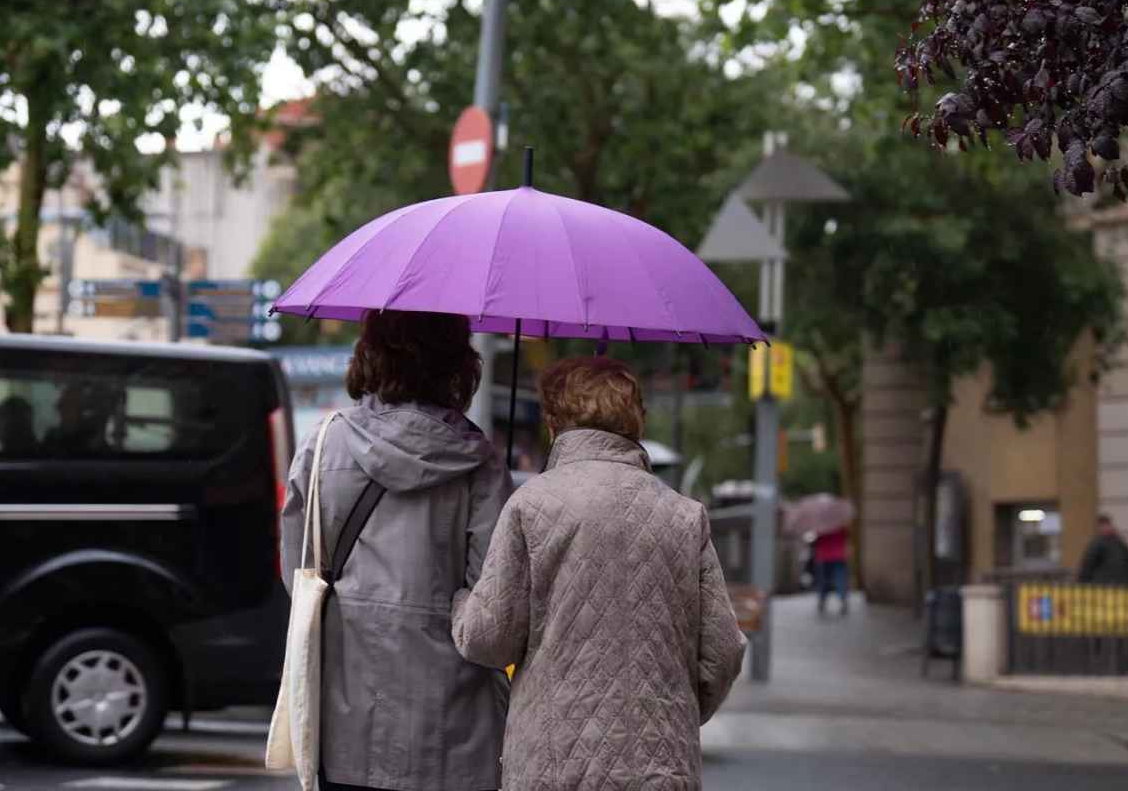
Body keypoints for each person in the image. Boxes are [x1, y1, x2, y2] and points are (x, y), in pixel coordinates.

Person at [452, 357, 747, 790]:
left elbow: (488, 640)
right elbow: (724, 649)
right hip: (660, 766)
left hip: (552, 765)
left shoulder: (530, 506)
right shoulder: (686, 517)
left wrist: (461, 604)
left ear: (554, 422)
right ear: (635, 424)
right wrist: (674, 708)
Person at [278, 309, 510, 791]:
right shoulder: (478, 462)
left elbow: (297, 575)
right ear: (457, 362)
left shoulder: (323, 445)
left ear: (371, 353)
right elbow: (492, 601)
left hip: (344, 721)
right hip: (453, 731)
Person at [1077, 514, 1128, 584]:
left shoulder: (1099, 543)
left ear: (1099, 526)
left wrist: (1081, 581)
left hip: (1103, 585)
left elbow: (1087, 564)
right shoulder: (1121, 543)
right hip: (1122, 585)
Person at [813, 525, 851, 617]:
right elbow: (846, 535)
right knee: (840, 578)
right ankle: (843, 600)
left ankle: (822, 600)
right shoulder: (840, 522)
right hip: (838, 554)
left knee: (823, 580)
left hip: (824, 555)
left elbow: (817, 539)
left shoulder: (821, 524)